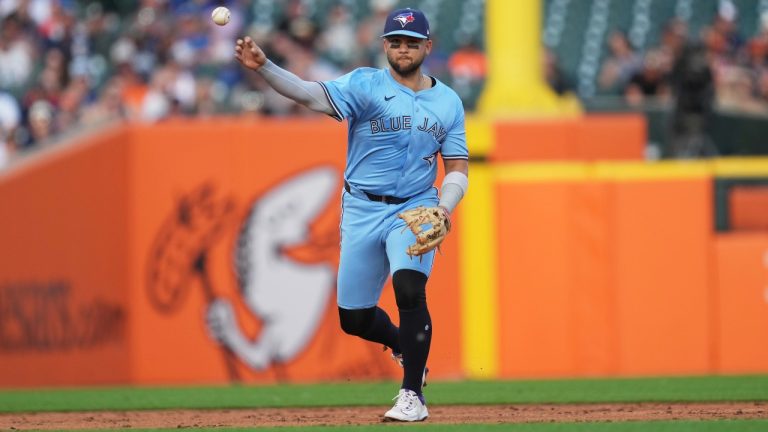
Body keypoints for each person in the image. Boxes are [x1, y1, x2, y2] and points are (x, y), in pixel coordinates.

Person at [233, 7, 469, 422]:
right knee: (354, 318)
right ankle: (402, 344)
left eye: (411, 43)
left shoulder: (448, 101)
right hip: (361, 207)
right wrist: (265, 67)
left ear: (427, 47)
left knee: (410, 288)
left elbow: (457, 168)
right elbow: (309, 94)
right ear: (385, 46)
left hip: (414, 208)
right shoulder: (364, 84)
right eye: (395, 41)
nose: (402, 49)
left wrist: (443, 208)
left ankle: (412, 395)